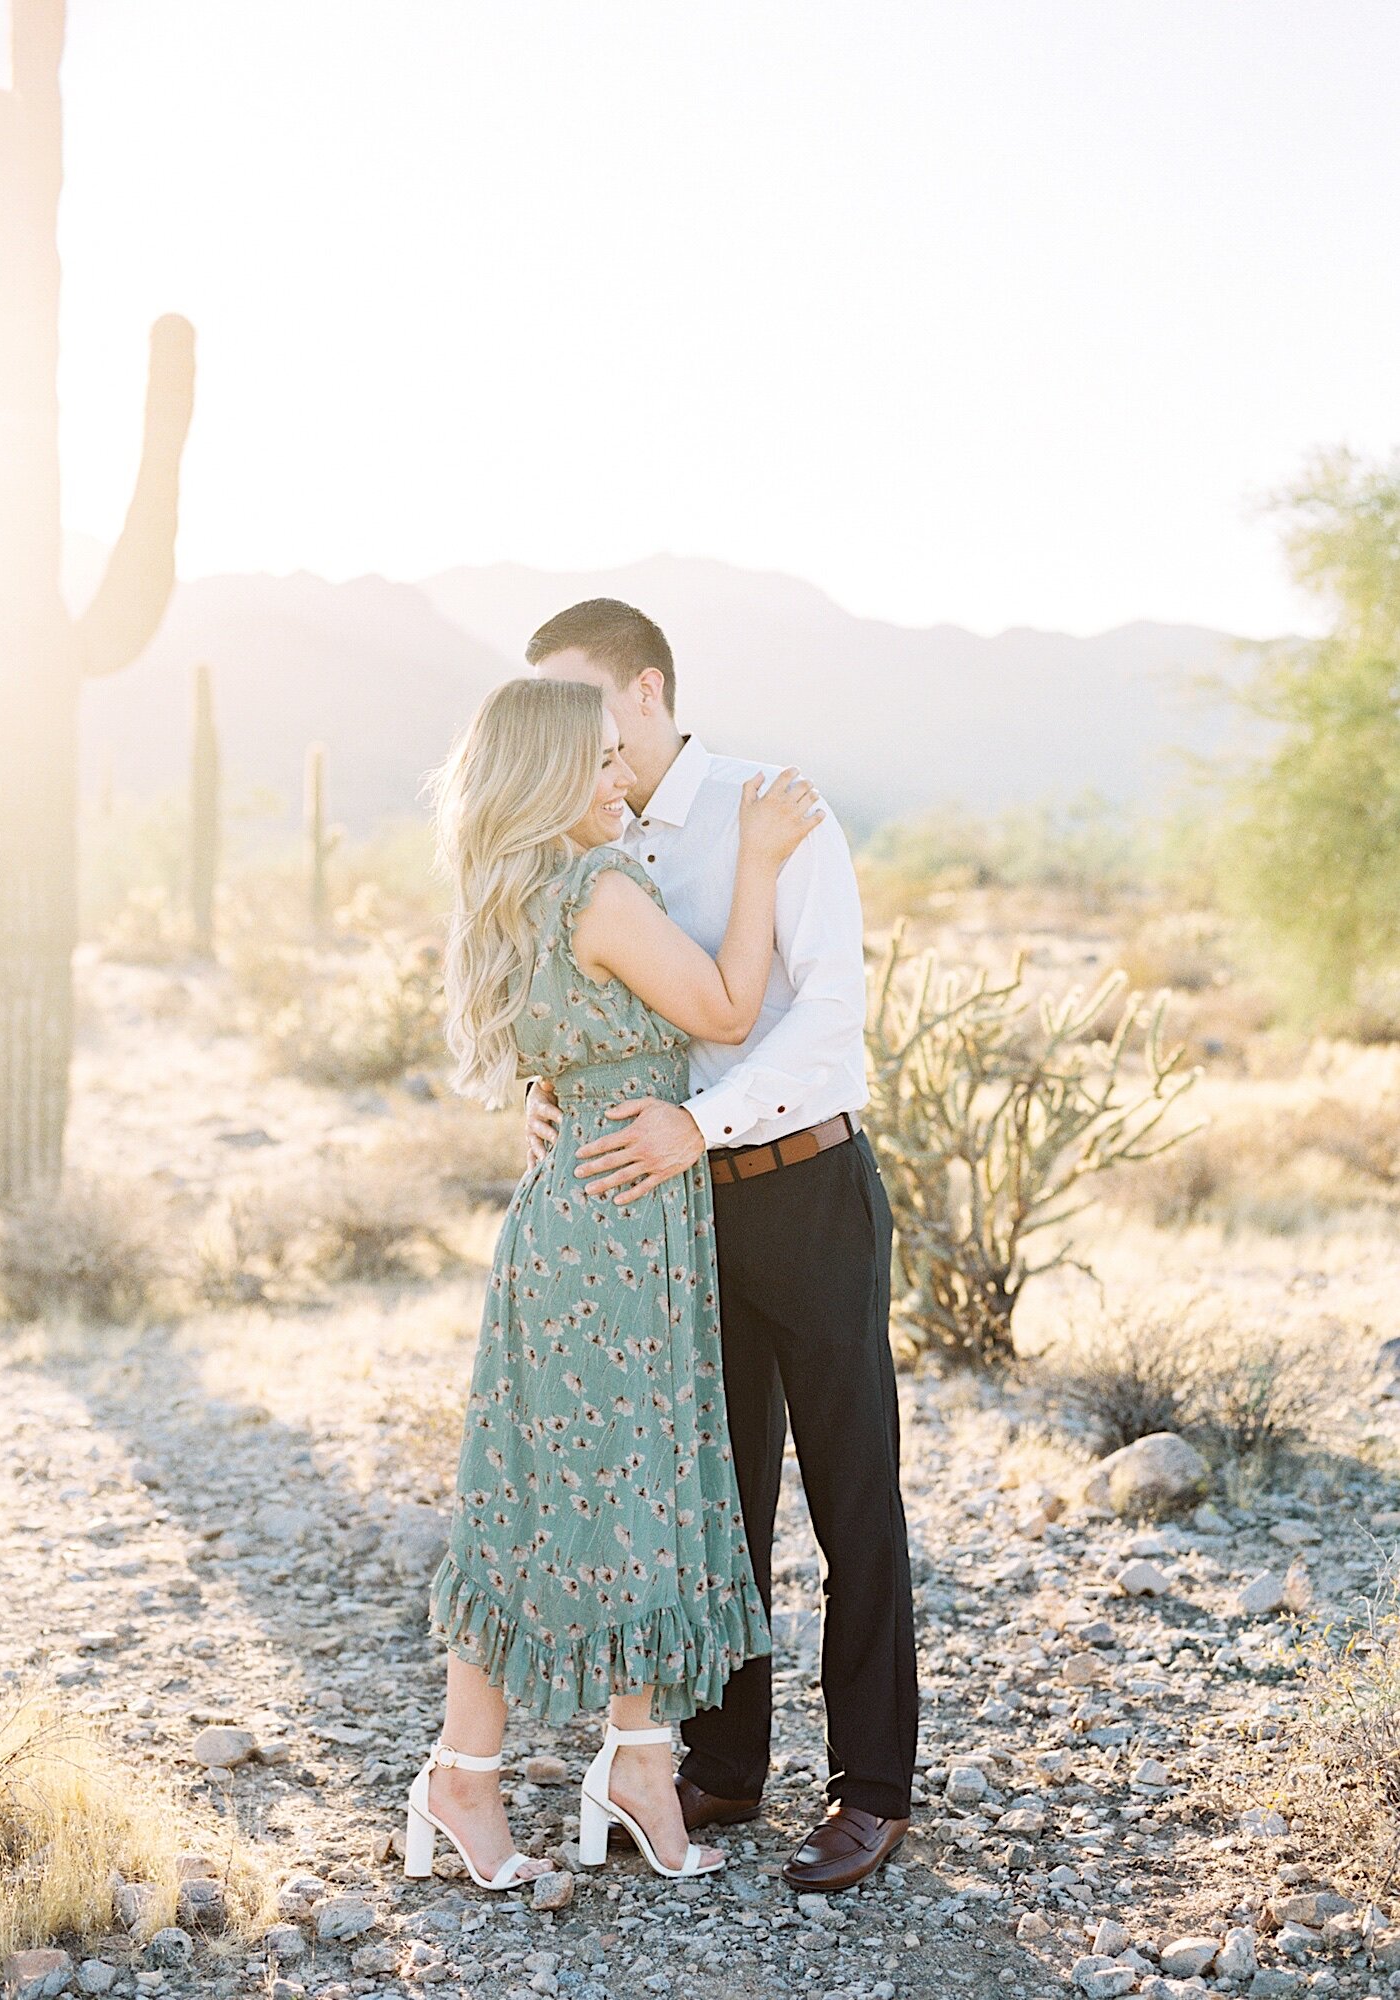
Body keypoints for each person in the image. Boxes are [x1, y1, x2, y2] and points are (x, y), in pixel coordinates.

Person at [526, 599, 919, 1892]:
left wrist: (698, 1120)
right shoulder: (587, 837)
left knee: (851, 1498)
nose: (576, 739)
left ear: (646, 690)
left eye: (586, 708)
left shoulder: (773, 809)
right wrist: (564, 1095)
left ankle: (872, 1791)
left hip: (804, 1190)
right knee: (721, 1501)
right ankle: (727, 1766)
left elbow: (826, 1034)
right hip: (677, 1212)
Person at [408, 675, 821, 1890]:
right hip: (619, 1227)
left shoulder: (516, 894)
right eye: (594, 764)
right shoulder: (598, 887)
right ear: (544, 778)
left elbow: (560, 1059)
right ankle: (490, 1775)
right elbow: (732, 1006)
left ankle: (610, 1763)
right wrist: (757, 857)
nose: (617, 779)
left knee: (547, 1492)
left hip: (575, 1218)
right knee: (614, 1492)